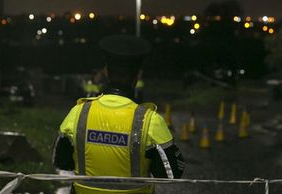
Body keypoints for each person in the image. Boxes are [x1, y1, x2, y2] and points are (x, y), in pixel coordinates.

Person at [53, 35, 185, 194]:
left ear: (106, 72)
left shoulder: (79, 113)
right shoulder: (150, 121)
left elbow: (60, 161)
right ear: (138, 76)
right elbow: (171, 173)